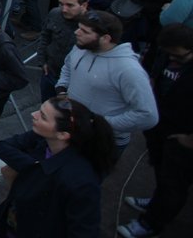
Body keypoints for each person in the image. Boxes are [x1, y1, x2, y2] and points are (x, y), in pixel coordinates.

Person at [0, 97, 117, 238]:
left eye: (43, 117)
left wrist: (37, 172)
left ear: (63, 134)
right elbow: (1, 146)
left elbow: (83, 231)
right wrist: (36, 168)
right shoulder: (43, 136)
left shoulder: (81, 182)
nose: (33, 115)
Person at [118, 25, 193, 238]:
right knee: (161, 172)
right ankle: (155, 203)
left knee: (174, 184)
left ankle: (150, 223)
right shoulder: (164, 53)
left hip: (183, 137)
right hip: (160, 127)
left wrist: (189, 140)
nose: (173, 60)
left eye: (178, 55)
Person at [55, 11, 159, 155]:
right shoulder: (81, 47)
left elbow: (148, 115)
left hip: (103, 141)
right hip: (73, 131)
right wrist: (61, 89)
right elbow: (68, 66)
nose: (77, 32)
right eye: (79, 27)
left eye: (85, 31)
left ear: (105, 38)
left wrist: (99, 123)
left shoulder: (129, 70)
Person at [38, 0, 89, 101]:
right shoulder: (55, 14)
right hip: (49, 73)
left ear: (84, 5)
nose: (64, 9)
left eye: (70, 5)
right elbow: (44, 37)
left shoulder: (92, 26)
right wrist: (43, 61)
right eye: (61, 4)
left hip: (72, 83)